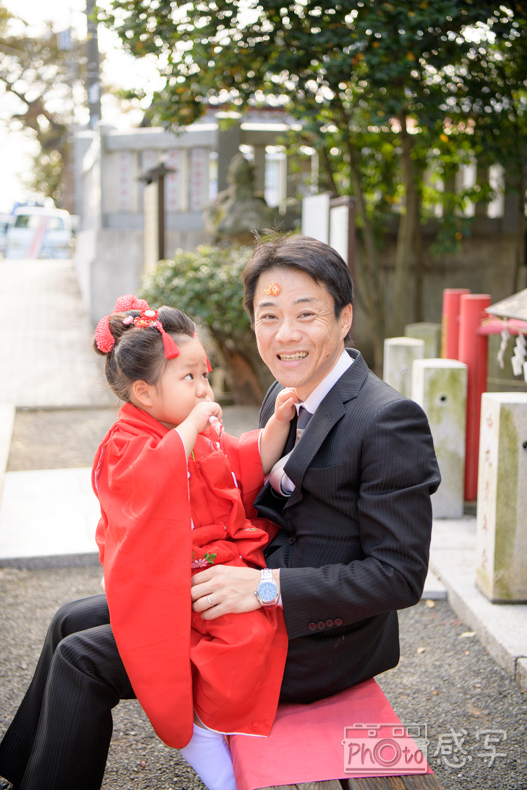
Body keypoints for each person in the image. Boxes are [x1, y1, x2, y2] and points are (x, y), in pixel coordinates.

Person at [0, 234, 440, 790]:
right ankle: (18, 770)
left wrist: (261, 588)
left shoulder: (387, 419)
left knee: (83, 658)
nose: (286, 335)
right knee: (71, 618)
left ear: (344, 317)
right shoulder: (284, 395)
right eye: (269, 315)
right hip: (238, 586)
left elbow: (398, 577)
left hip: (309, 636)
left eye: (306, 315)